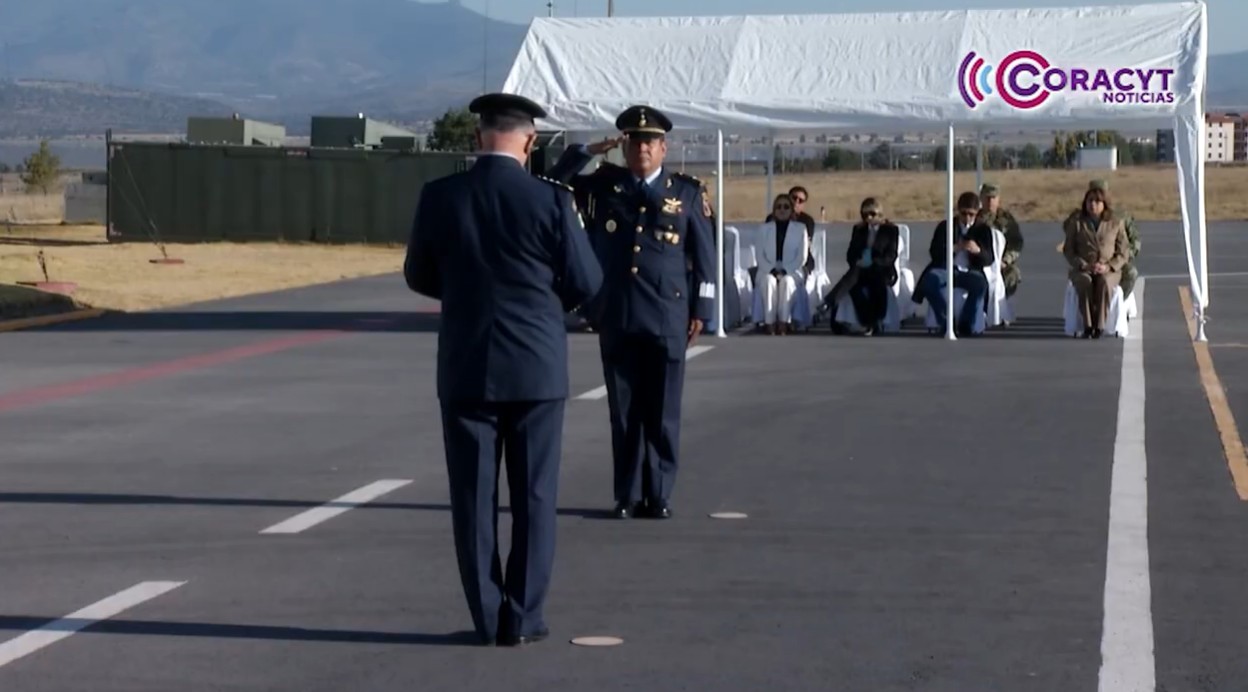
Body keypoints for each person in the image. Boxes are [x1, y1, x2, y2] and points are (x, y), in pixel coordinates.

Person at [403, 92, 603, 647]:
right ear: (530, 140)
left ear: (478, 136)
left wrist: (467, 292)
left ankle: (487, 617)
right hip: (536, 367)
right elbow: (586, 283)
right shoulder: (551, 201)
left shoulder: (441, 196)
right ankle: (524, 615)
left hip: (468, 362)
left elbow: (419, 274)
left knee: (472, 498)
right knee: (535, 496)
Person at [545, 104, 716, 520]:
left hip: (668, 315)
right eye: (634, 142)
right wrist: (588, 149)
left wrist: (703, 308)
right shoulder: (605, 185)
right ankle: (626, 493)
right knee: (624, 412)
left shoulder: (686, 192)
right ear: (623, 147)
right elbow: (552, 183)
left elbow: (705, 257)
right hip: (618, 312)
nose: (641, 149)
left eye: (649, 143)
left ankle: (658, 493)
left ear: (663, 148)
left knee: (662, 411)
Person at [912, 191, 995, 336]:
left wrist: (978, 251)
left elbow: (989, 259)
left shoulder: (982, 230)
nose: (967, 218)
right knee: (929, 282)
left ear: (977, 214)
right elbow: (934, 252)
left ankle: (966, 322)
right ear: (958, 211)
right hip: (946, 269)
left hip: (970, 271)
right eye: (964, 214)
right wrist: (953, 248)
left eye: (971, 214)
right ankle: (946, 320)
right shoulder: (946, 227)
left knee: (980, 285)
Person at [1063, 186, 1128, 338]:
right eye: (1090, 201)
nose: (1093, 204)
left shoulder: (1115, 223)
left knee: (1104, 283)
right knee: (1084, 282)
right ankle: (1088, 324)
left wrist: (1108, 266)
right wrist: (1082, 264)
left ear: (1105, 204)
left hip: (1108, 269)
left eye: (1097, 201)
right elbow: (1069, 250)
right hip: (1083, 268)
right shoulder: (1077, 223)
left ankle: (1100, 325)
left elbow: (1123, 252)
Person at [829, 197, 899, 335]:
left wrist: (873, 262)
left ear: (879, 214)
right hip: (861, 269)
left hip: (881, 268)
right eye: (864, 214)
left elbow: (891, 255)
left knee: (875, 283)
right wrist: (858, 261)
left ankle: (830, 301)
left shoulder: (890, 230)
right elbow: (850, 253)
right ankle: (869, 321)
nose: (868, 218)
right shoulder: (858, 229)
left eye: (872, 214)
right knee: (854, 286)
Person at [1087, 179, 1139, 299]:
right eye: (1092, 198)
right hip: (1092, 262)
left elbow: (1134, 242)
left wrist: (1119, 259)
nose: (1094, 202)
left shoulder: (1120, 217)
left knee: (1131, 273)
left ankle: (1117, 303)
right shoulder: (1083, 217)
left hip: (1117, 259)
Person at [977, 183, 1023, 298]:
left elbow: (1016, 243)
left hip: (1000, 262)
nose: (990, 202)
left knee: (1012, 275)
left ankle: (1002, 305)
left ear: (998, 199)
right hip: (979, 261)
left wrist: (1006, 260)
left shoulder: (1006, 219)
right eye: (987, 198)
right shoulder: (974, 216)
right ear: (981, 198)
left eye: (993, 198)